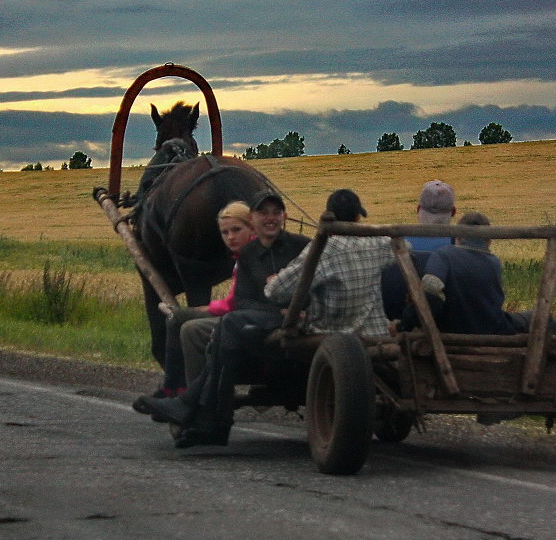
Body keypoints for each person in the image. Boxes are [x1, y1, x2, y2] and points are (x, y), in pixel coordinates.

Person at [137, 189, 309, 447]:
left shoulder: (300, 246)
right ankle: (194, 410)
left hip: (283, 323)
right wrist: (269, 305)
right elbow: (242, 300)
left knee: (207, 327)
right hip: (256, 321)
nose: (270, 218)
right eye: (264, 213)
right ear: (256, 218)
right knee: (209, 328)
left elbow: (317, 281)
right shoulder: (250, 254)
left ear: (284, 216)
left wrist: (295, 306)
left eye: (275, 213)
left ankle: (194, 409)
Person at [396, 211, 556, 397]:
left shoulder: (443, 255)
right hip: (494, 329)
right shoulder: (493, 262)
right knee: (546, 321)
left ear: (457, 237)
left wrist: (406, 323)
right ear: (489, 240)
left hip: (450, 330)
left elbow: (431, 292)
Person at [133, 200, 255, 413]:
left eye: (237, 230)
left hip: (241, 317)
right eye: (225, 233)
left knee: (177, 319)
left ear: (252, 227)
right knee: (182, 317)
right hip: (241, 313)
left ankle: (174, 388)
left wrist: (204, 309)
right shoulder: (247, 254)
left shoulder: (251, 255)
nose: (231, 237)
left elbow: (234, 303)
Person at [263, 188, 391, 337]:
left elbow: (275, 290)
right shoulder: (378, 243)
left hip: (328, 338)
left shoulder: (324, 250)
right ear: (357, 217)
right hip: (376, 335)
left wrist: (273, 281)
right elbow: (405, 247)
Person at [380, 179, 457, 319]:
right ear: (453, 211)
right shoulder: (457, 249)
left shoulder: (396, 243)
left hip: (394, 326)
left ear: (418, 209)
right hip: (443, 330)